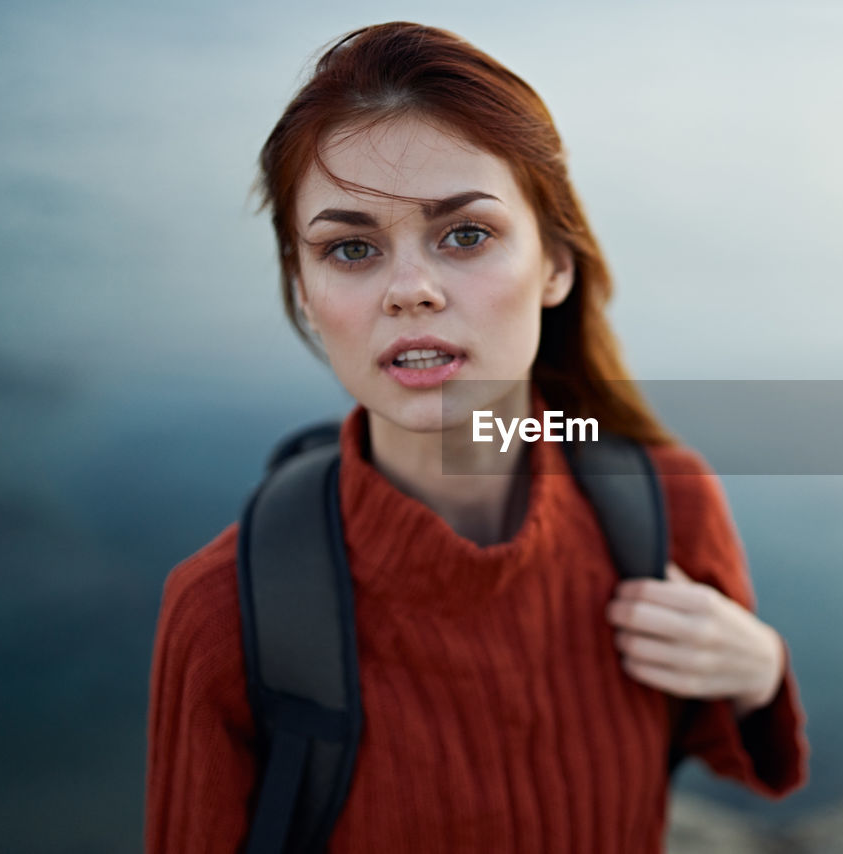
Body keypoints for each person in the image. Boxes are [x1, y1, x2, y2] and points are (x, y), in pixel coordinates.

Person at [145, 21, 809, 853]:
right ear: (304, 291)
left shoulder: (663, 505)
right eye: (351, 248)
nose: (411, 289)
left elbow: (748, 760)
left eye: (466, 234)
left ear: (556, 264)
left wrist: (759, 674)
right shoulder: (220, 616)